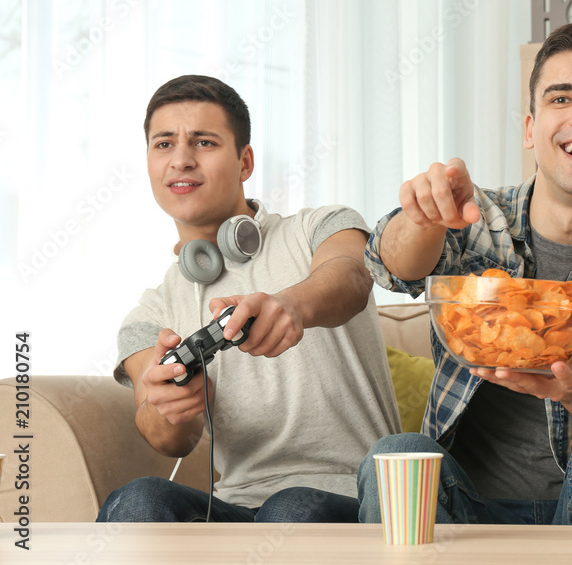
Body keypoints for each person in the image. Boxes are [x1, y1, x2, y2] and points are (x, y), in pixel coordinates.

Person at [357, 21, 572, 526]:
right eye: (561, 99)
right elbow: (389, 267)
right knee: (396, 452)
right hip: (467, 508)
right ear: (529, 128)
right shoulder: (475, 218)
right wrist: (423, 220)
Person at [97, 75, 401, 523]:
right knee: (139, 498)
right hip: (236, 509)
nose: (180, 160)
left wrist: (294, 305)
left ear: (245, 162)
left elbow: (353, 276)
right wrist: (171, 410)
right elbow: (161, 430)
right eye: (164, 144)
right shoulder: (151, 313)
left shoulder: (321, 226)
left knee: (292, 507)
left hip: (354, 497)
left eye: (203, 142)